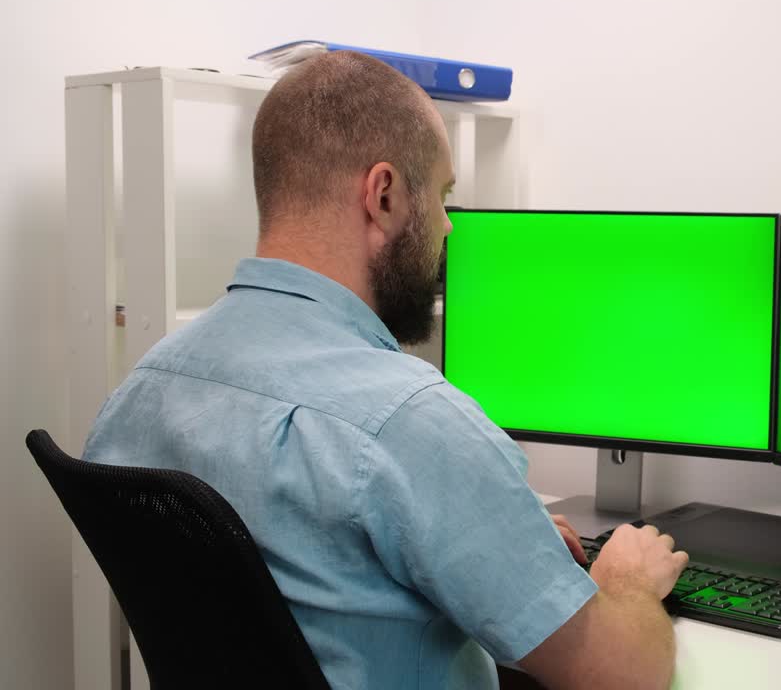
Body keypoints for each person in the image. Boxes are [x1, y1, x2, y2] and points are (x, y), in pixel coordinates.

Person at [84, 50, 688, 690]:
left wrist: (508, 541)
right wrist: (626, 580)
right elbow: (625, 675)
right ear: (384, 194)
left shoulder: (141, 391)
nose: (449, 227)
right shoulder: (409, 422)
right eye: (444, 196)